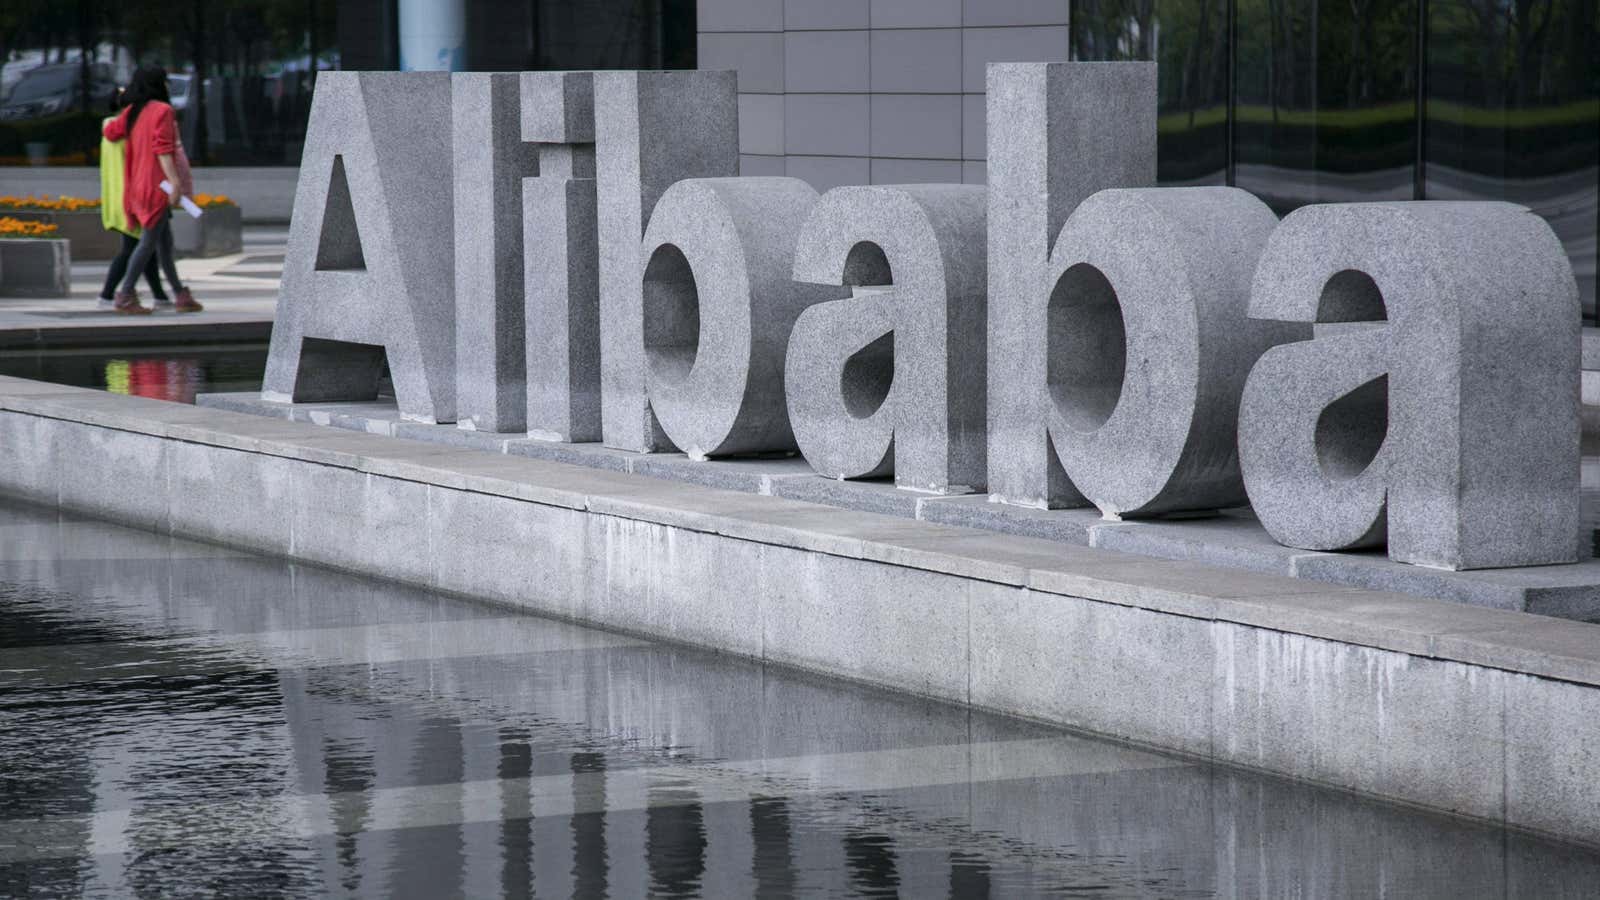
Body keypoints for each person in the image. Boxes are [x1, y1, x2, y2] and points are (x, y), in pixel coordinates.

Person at [103, 67, 203, 315]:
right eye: (166, 82)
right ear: (159, 84)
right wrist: (176, 183)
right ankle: (125, 294)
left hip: (136, 186)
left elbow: (110, 132)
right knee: (147, 243)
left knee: (164, 243)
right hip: (157, 186)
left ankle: (180, 294)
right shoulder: (163, 110)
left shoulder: (132, 112)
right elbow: (163, 149)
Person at [97, 88, 173, 309]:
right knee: (135, 248)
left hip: (122, 197)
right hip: (131, 198)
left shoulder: (111, 127)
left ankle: (159, 295)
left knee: (144, 246)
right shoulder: (126, 127)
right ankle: (108, 294)